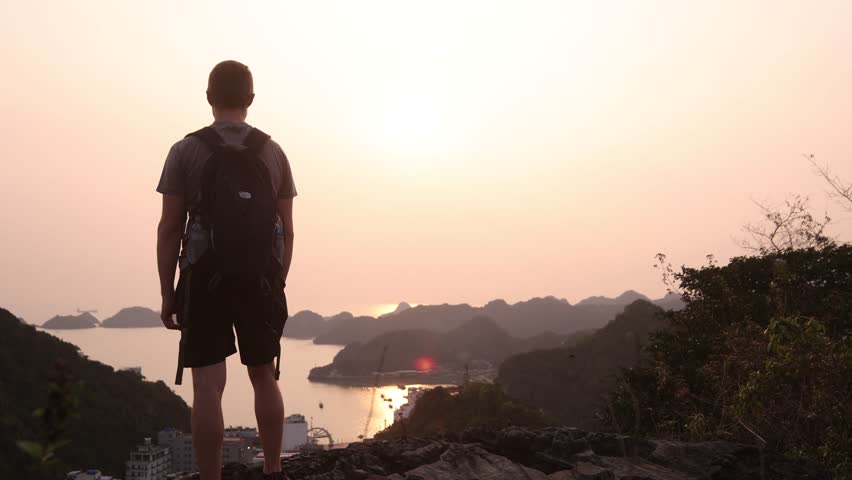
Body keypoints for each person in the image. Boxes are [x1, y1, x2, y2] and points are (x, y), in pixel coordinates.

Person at [156, 60, 296, 480]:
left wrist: (169, 293)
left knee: (207, 386)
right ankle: (273, 470)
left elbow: (169, 230)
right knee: (264, 375)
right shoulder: (273, 152)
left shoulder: (185, 150)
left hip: (203, 278)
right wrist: (277, 282)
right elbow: (287, 231)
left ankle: (211, 477)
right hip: (260, 279)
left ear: (208, 97)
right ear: (250, 100)